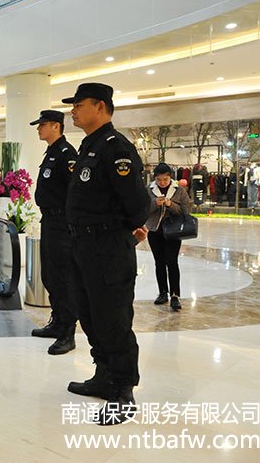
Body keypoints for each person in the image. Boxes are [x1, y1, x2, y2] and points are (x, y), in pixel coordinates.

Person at [63, 83, 150, 426]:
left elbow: (137, 204)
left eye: (79, 104)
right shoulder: (90, 145)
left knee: (113, 319)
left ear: (100, 107)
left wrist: (121, 234)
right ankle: (103, 375)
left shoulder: (116, 148)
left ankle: (122, 390)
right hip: (83, 246)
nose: (73, 110)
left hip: (107, 248)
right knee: (90, 314)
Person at [29, 110, 79, 355]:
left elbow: (74, 191)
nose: (39, 129)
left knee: (64, 277)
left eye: (42, 125)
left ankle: (68, 332)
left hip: (62, 223)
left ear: (56, 126)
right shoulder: (51, 152)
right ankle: (57, 322)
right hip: (49, 221)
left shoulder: (66, 154)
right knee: (50, 275)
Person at [145, 163, 191, 312]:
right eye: (159, 180)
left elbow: (186, 210)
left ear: (170, 177)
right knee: (159, 262)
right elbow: (143, 209)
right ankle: (162, 292)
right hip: (155, 231)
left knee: (172, 262)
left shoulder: (179, 190)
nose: (162, 182)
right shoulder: (149, 190)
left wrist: (171, 205)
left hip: (173, 232)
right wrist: (155, 203)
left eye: (165, 179)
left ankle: (175, 295)